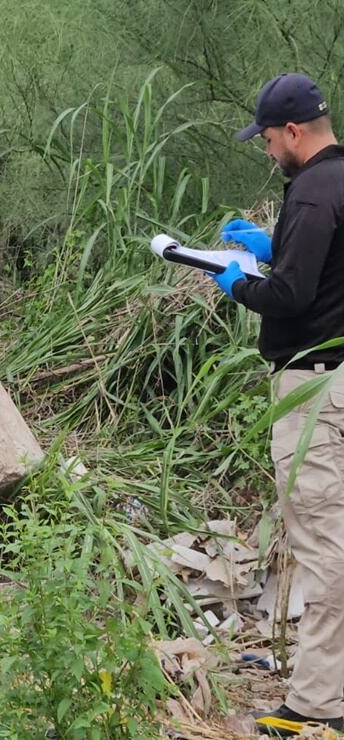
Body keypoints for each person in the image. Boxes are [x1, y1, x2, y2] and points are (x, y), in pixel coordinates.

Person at [211, 73, 344, 735]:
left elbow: (291, 297)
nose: (267, 152)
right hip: (337, 376)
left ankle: (319, 705)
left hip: (314, 389)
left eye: (267, 140)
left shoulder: (316, 193)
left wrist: (236, 281)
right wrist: (275, 247)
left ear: (293, 132)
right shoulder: (335, 184)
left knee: (325, 544)